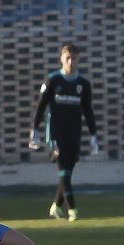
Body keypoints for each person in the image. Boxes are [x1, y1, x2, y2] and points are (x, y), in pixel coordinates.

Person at [28, 42, 98, 222]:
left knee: (67, 173)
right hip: (56, 134)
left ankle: (56, 207)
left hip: (74, 134)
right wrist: (34, 131)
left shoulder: (83, 84)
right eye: (67, 58)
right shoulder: (53, 80)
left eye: (74, 58)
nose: (70, 62)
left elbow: (88, 110)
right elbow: (40, 107)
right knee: (63, 173)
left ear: (78, 59)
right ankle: (73, 210)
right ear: (61, 58)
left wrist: (93, 136)